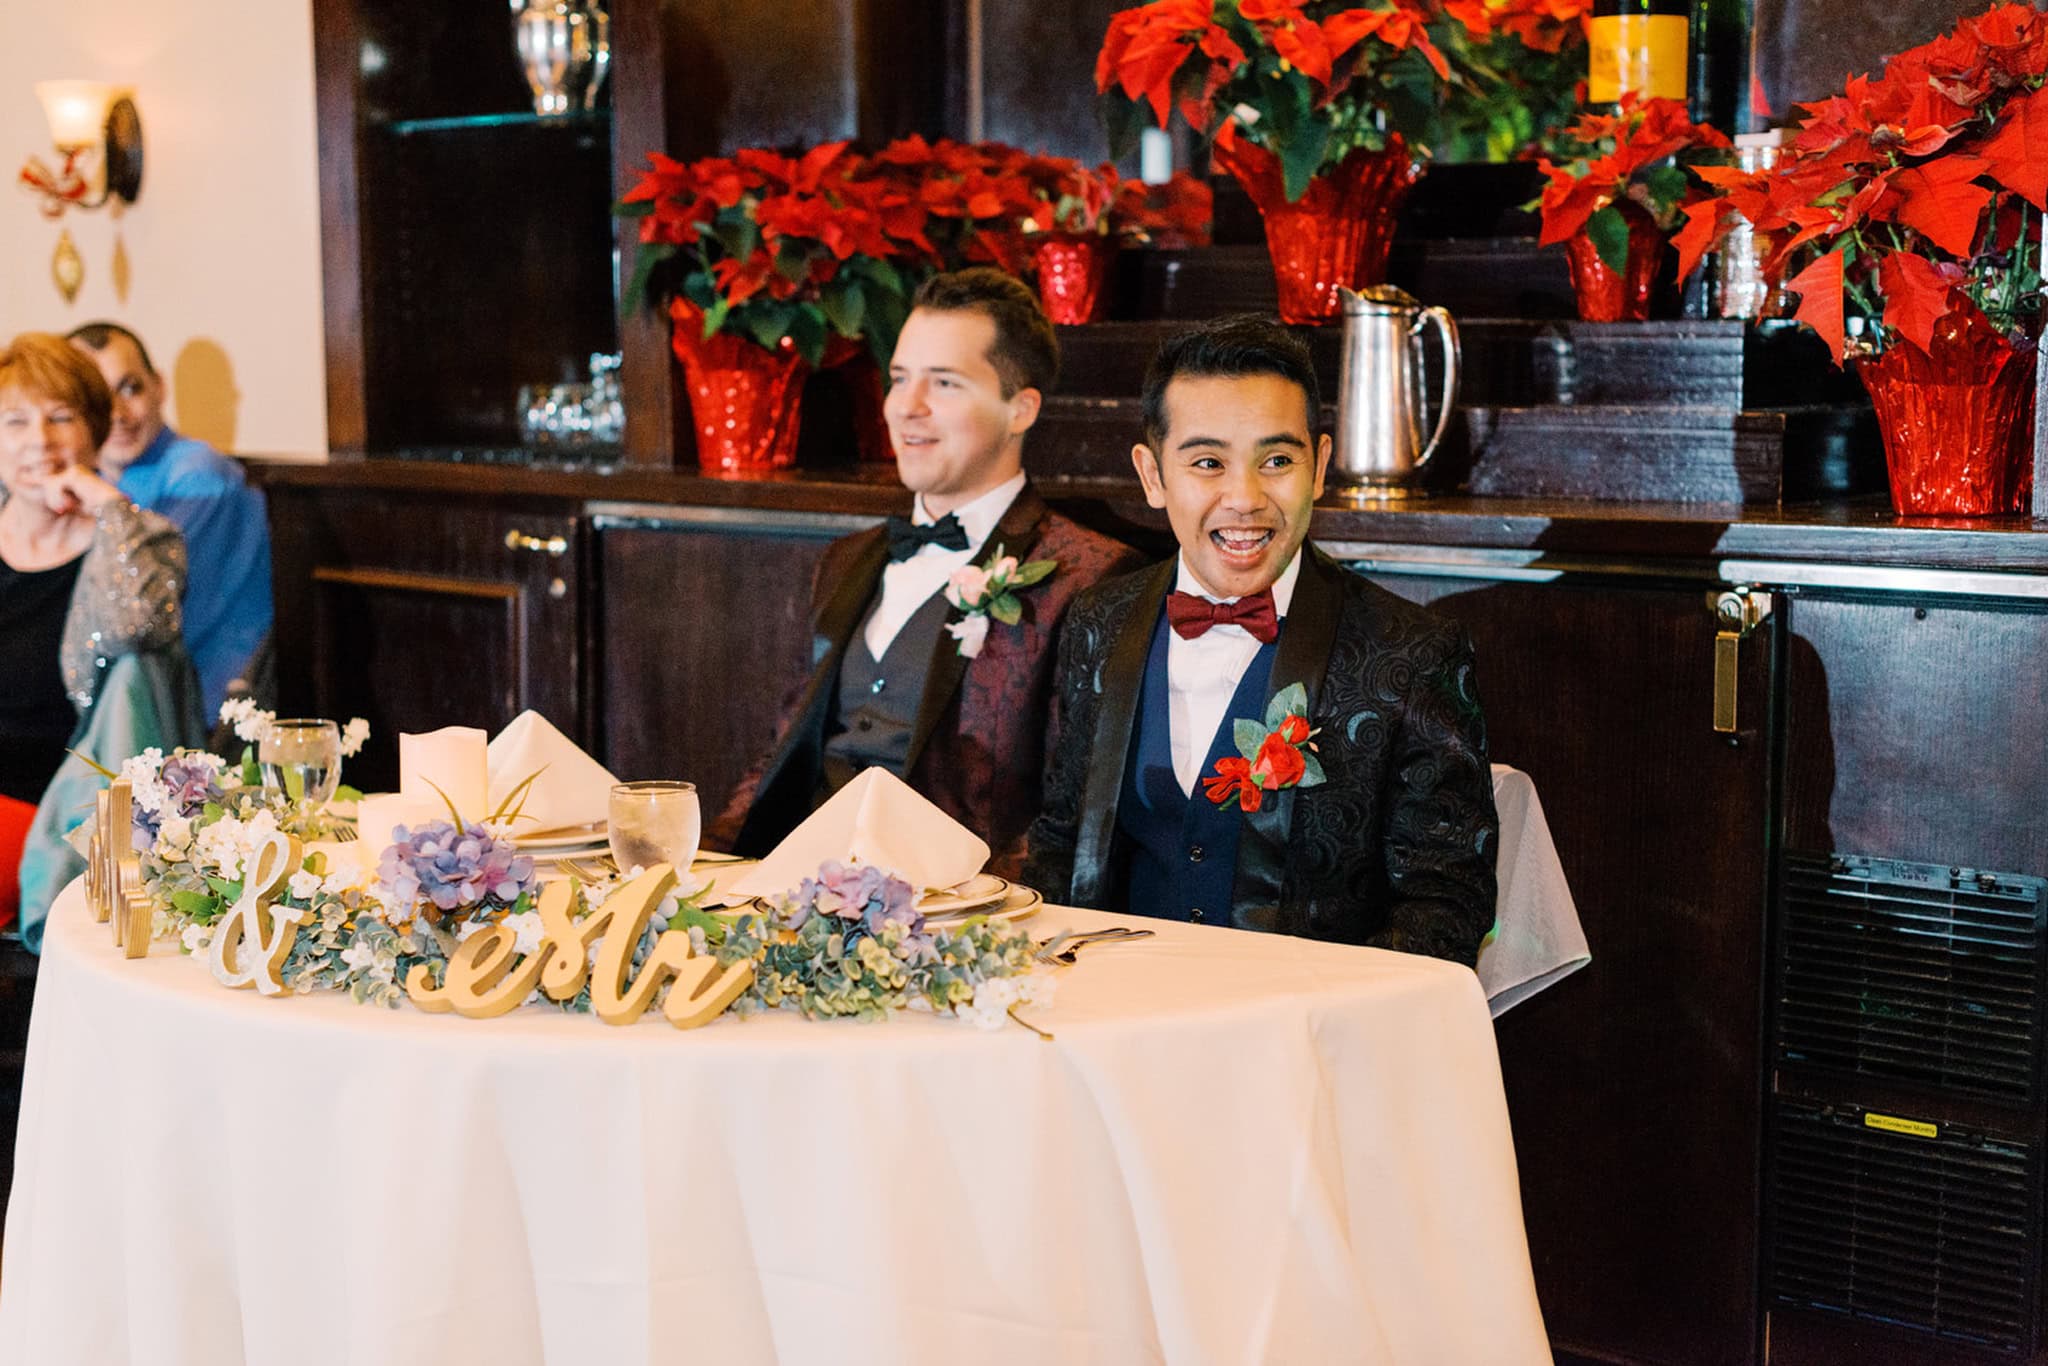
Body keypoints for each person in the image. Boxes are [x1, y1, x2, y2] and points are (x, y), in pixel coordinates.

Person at [1024, 315, 1499, 965]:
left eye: (1276, 460)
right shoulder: (1095, 623)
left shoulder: (1414, 654)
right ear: (1153, 474)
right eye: (1208, 463)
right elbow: (1059, 839)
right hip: (1110, 1017)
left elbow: (1445, 905)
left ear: (1321, 465)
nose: (1244, 498)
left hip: (1303, 1041)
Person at [711, 269, 1142, 874]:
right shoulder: (846, 559)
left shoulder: (1088, 575)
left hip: (953, 918)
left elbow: (1069, 820)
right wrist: (709, 872)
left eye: (943, 382)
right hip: (794, 892)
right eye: (899, 379)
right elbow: (780, 755)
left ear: (1020, 410)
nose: (906, 408)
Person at [0, 334, 189, 932]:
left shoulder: (139, 540)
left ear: (95, 429)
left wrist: (109, 506)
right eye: (15, 421)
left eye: (61, 417)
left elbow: (137, 625)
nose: (39, 440)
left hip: (56, 819)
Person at [68, 321, 271, 715]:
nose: (117, 414)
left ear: (159, 386)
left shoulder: (198, 476)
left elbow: (142, 610)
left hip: (203, 712)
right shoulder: (90, 478)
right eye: (96, 397)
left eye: (131, 388)